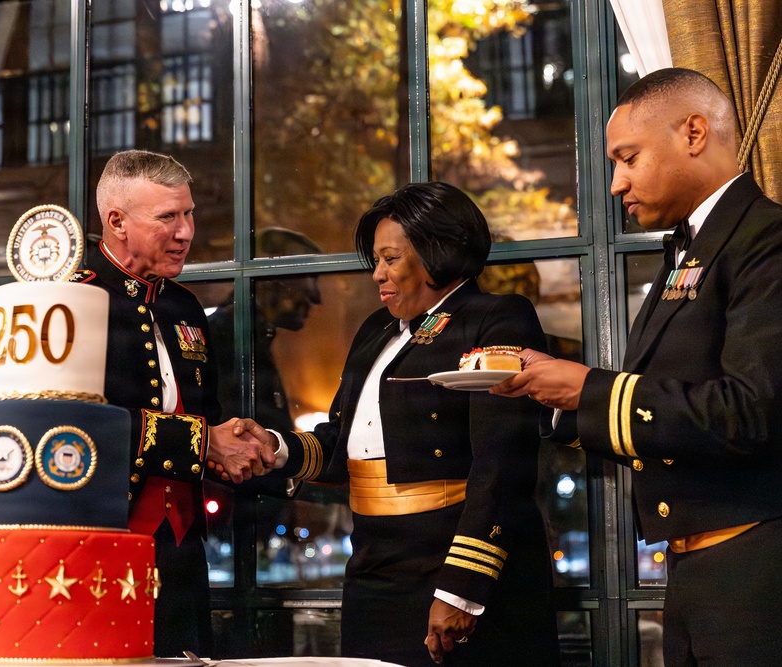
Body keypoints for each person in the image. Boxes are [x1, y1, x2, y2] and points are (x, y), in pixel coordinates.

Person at [491, 67, 782, 665]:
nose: (618, 182)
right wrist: (551, 395)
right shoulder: (693, 248)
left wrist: (588, 390)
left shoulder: (766, 239)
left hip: (758, 570)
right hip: (698, 569)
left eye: (628, 158)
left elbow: (750, 411)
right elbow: (666, 400)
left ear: (694, 132)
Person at [261, 182, 559, 666]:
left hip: (449, 566)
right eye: (375, 260)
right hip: (372, 565)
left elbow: (502, 463)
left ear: (436, 253)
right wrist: (274, 447)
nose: (377, 274)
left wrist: (462, 589)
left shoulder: (498, 318)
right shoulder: (374, 331)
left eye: (390, 258)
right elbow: (341, 447)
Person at [85, 149, 278, 657]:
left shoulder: (184, 304)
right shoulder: (72, 294)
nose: (186, 231)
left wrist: (236, 444)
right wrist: (205, 441)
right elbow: (73, 423)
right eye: (168, 217)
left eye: (188, 213)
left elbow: (205, 415)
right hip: (102, 542)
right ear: (117, 222)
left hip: (184, 545)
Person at [208, 227, 322, 430]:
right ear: (271, 276)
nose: (316, 296)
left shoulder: (251, 337)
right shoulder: (223, 339)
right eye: (310, 276)